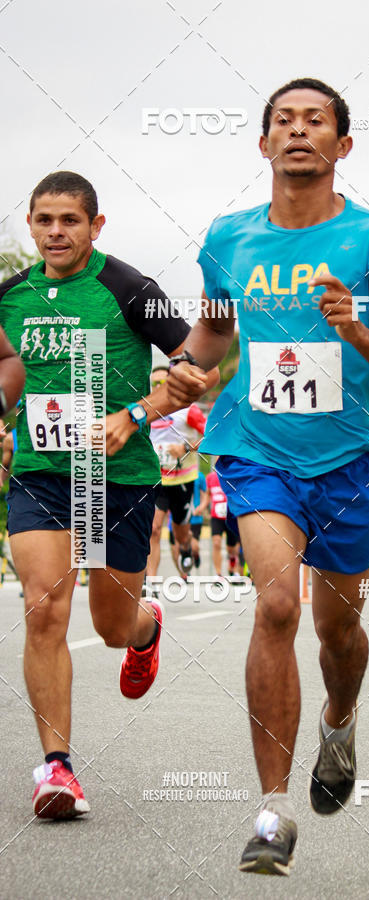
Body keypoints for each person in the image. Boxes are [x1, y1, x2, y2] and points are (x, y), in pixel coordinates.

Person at [167, 77, 369, 875]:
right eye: (283, 120)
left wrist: (356, 328)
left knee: (337, 633)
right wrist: (185, 368)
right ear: (263, 143)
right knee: (276, 604)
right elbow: (211, 335)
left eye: (316, 121)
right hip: (257, 451)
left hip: (348, 462)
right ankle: (273, 812)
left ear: (342, 145)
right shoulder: (229, 238)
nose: (298, 131)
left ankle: (341, 721)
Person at [0, 171, 216, 819]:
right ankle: (57, 769)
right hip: (41, 474)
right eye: (44, 220)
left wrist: (137, 415)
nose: (56, 232)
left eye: (70, 220)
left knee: (111, 624)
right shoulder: (10, 298)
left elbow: (195, 369)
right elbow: (6, 370)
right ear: (31, 227)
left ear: (96, 226)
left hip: (116, 478)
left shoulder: (132, 290)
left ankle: (146, 628)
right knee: (44, 609)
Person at [146, 367, 207, 583]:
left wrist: (186, 447)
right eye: (155, 384)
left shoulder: (187, 410)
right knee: (153, 529)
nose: (159, 388)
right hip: (157, 479)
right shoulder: (145, 410)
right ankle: (150, 581)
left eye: (164, 383)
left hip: (183, 480)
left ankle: (186, 547)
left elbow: (211, 434)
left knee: (181, 534)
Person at [200, 463, 240, 576]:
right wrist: (202, 507)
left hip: (231, 516)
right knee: (216, 543)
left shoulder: (233, 476)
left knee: (232, 549)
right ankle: (218, 574)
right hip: (216, 516)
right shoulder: (210, 477)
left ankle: (232, 564)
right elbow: (208, 495)